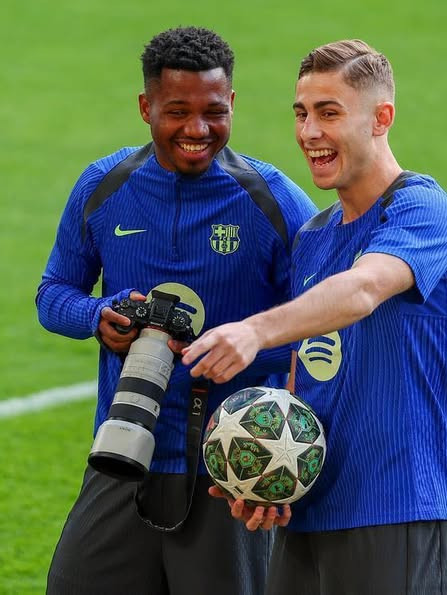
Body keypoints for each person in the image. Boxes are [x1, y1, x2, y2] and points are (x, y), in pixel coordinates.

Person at [182, 39, 447, 594]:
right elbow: (307, 375)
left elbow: (363, 289)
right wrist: (270, 472)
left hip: (399, 508)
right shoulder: (313, 237)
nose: (309, 132)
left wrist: (255, 330)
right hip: (310, 516)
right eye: (301, 113)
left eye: (329, 113)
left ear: (381, 118)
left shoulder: (421, 209)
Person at [36, 26, 317, 595]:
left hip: (231, 467)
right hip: (124, 451)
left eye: (214, 112)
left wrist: (244, 348)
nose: (197, 129)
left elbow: (323, 332)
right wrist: (100, 318)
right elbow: (53, 294)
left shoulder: (274, 200)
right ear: (146, 108)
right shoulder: (105, 186)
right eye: (177, 112)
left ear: (232, 103)